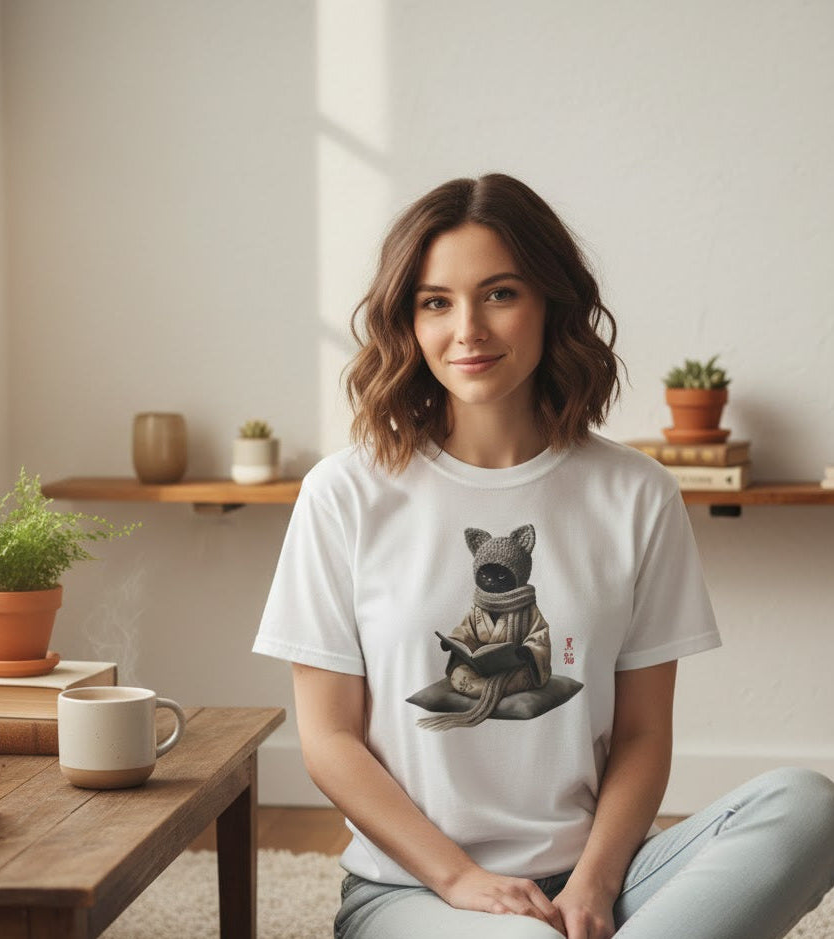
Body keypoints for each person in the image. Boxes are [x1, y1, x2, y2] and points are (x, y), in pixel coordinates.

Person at [252, 173, 834, 938]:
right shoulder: (345, 493)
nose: (467, 328)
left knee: (806, 805)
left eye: (498, 293)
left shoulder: (636, 493)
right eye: (435, 301)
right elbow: (329, 740)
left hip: (606, 879)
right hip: (417, 891)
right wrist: (460, 878)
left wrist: (592, 886)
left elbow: (640, 734)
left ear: (550, 302)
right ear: (407, 320)